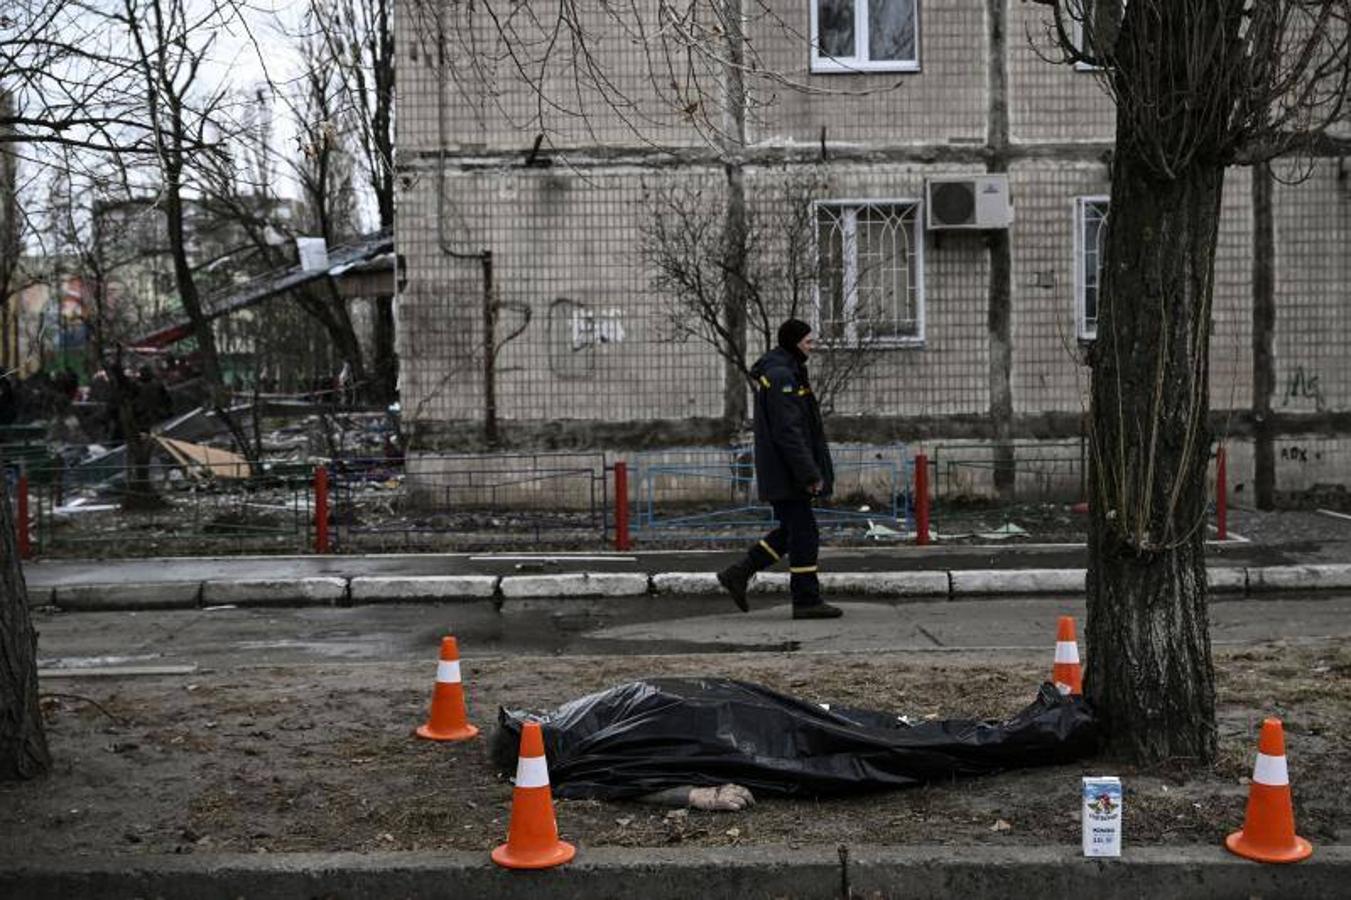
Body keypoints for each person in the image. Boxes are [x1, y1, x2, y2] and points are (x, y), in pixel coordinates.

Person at [718, 318, 841, 619]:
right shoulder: (782, 376)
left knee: (792, 532)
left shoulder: (786, 371)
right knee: (805, 534)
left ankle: (739, 573)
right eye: (808, 342)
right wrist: (809, 474)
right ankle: (806, 600)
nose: (812, 347)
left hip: (785, 470)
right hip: (788, 473)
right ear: (794, 342)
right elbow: (789, 432)